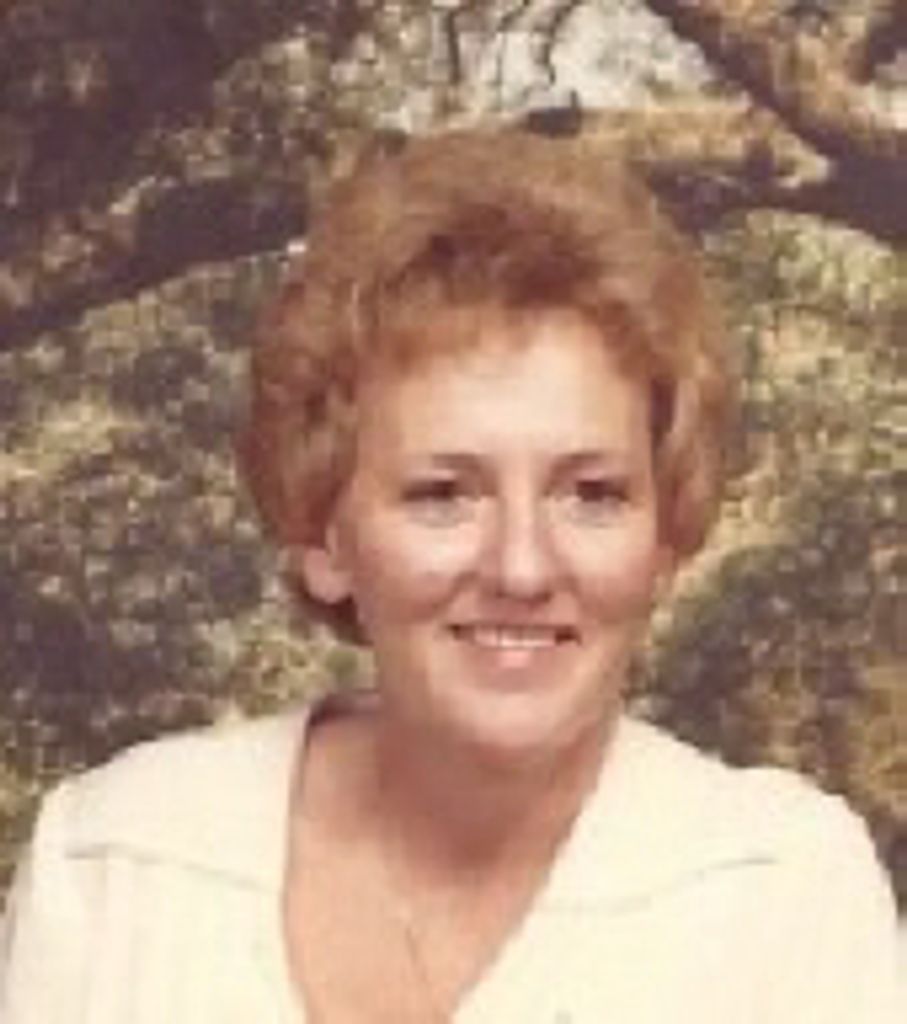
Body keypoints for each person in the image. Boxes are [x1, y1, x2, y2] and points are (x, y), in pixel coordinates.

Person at [0, 128, 902, 1023]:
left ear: (663, 537)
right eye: (443, 494)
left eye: (590, 494)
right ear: (323, 533)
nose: (521, 566)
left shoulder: (781, 896)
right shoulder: (116, 868)